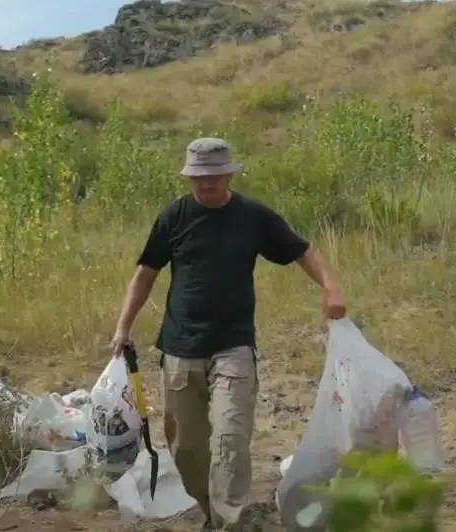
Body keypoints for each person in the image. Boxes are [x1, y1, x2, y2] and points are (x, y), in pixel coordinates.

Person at [109, 138, 346, 532]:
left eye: (214, 176)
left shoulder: (252, 217)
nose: (206, 184)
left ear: (229, 175)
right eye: (198, 177)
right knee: (186, 448)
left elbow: (303, 251)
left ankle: (228, 522)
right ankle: (211, 512)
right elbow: (145, 275)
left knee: (230, 439)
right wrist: (123, 328)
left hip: (233, 346)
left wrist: (331, 287)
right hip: (181, 347)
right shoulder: (174, 217)